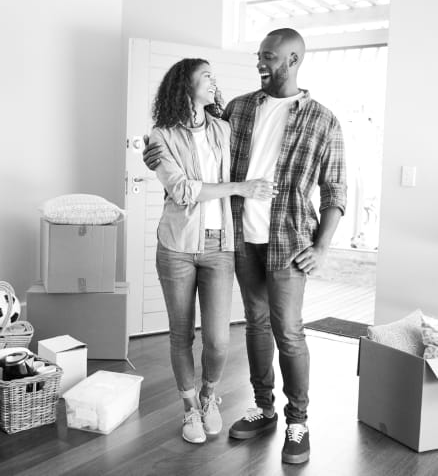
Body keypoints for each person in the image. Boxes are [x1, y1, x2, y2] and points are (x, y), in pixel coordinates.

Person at [143, 28, 347, 464]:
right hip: (237, 240)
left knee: (288, 332)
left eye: (268, 57)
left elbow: (335, 191)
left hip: (288, 243)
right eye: (259, 55)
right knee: (255, 325)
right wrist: (156, 154)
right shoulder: (238, 110)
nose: (260, 62)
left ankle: (298, 421)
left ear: (292, 61)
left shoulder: (323, 120)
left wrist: (324, 246)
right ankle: (264, 408)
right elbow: (193, 151)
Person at [148, 58, 278, 444]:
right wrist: (239, 187)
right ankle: (189, 410)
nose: (213, 81)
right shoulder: (161, 136)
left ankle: (209, 397)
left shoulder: (223, 129)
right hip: (176, 247)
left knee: (219, 340)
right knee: (181, 334)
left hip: (219, 247)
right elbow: (183, 190)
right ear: (184, 85)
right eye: (206, 76)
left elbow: (259, 151)